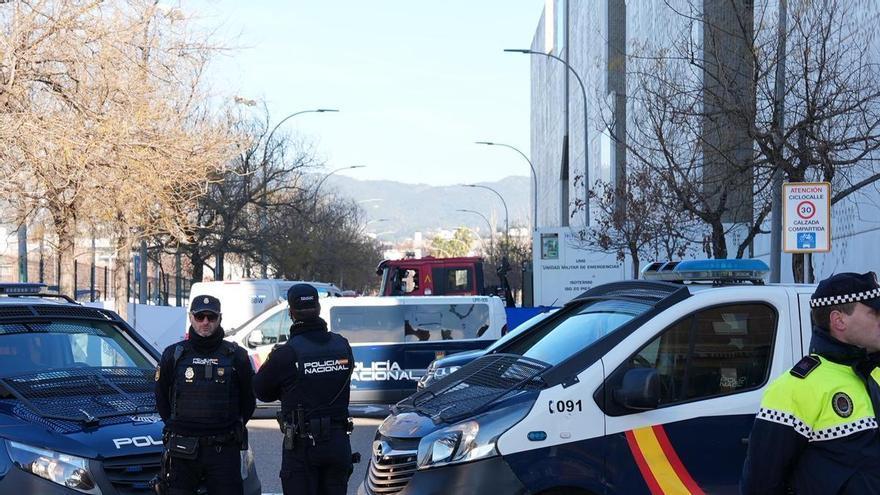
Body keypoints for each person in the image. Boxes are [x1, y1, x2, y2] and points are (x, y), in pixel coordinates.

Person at [741, 272, 880, 494]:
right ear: (839, 320)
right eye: (874, 313)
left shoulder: (875, 374)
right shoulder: (796, 387)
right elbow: (760, 486)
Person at [253, 283, 355, 495]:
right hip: (338, 442)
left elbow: (261, 391)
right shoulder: (342, 345)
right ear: (318, 309)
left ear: (291, 313)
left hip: (303, 445)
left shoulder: (286, 354)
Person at [154, 295, 256, 495]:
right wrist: (178, 425)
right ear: (191, 318)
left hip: (223, 449)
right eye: (200, 317)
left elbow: (248, 400)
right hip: (183, 450)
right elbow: (161, 397)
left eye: (211, 317)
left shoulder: (237, 356)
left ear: (220, 319)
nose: (205, 322)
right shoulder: (173, 354)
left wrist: (230, 425)